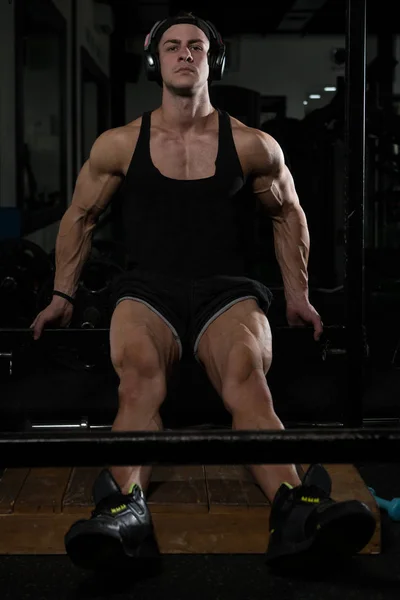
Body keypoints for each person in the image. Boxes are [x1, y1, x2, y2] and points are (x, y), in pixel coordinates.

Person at [30, 11, 376, 572]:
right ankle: (125, 513)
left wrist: (298, 295)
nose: (184, 54)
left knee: (246, 375)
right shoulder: (119, 145)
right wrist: (62, 297)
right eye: (172, 46)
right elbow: (79, 217)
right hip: (146, 293)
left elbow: (289, 214)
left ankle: (296, 511)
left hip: (228, 293)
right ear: (155, 61)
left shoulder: (251, 144)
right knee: (139, 375)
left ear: (214, 59)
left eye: (196, 46)